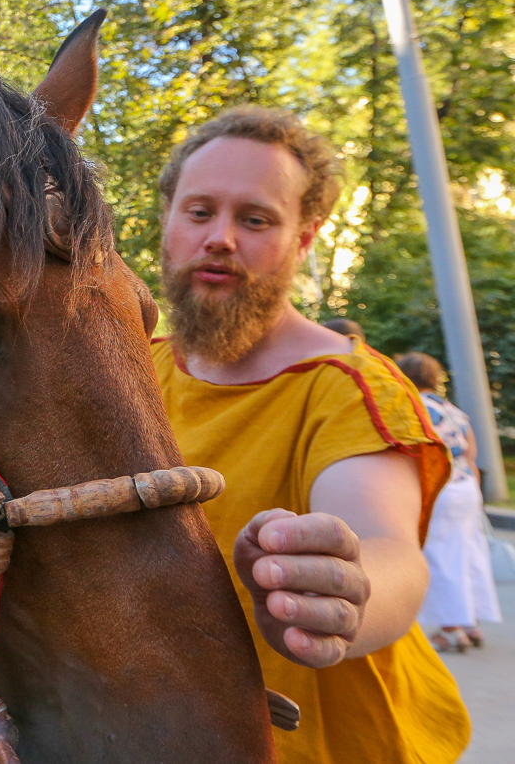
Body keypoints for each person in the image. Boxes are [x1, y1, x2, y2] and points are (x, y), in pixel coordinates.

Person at [151, 107, 470, 764]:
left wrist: (340, 590)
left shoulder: (349, 386)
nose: (221, 238)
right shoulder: (130, 365)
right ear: (168, 221)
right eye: (200, 211)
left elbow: (390, 550)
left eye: (256, 218)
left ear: (304, 238)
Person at [394, 351, 502, 651]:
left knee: (440, 557)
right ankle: (471, 623)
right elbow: (471, 456)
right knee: (468, 554)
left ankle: (451, 629)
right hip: (466, 488)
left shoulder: (412, 407)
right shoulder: (453, 410)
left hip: (439, 489)